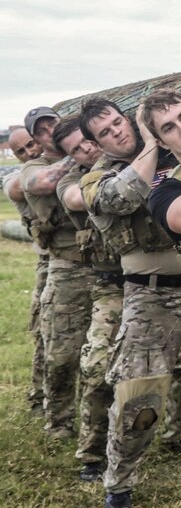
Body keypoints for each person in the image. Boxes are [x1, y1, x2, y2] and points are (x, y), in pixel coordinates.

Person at [78, 98, 181, 508]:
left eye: (120, 123)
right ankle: (119, 481)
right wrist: (149, 141)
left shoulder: (178, 157)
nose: (117, 132)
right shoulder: (98, 178)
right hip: (149, 297)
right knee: (139, 394)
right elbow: (124, 197)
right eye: (106, 132)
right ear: (97, 142)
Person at [52, 117, 126, 483]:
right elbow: (84, 198)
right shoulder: (73, 181)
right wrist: (105, 159)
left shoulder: (134, 160)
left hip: (166, 286)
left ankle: (175, 435)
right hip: (112, 287)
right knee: (97, 366)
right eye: (76, 150)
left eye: (88, 141)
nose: (87, 150)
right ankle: (93, 454)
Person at [19, 107, 93, 442]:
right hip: (67, 265)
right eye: (43, 129)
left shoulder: (93, 154)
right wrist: (78, 154)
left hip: (109, 265)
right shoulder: (35, 167)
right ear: (36, 139)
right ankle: (59, 421)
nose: (51, 129)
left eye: (55, 122)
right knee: (62, 352)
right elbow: (44, 183)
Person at [3, 127, 49, 417]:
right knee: (45, 333)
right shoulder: (20, 177)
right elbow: (19, 186)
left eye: (32, 144)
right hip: (49, 262)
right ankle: (38, 396)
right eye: (21, 151)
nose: (30, 152)